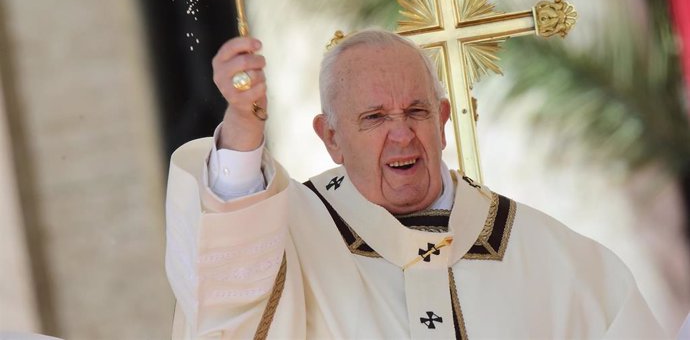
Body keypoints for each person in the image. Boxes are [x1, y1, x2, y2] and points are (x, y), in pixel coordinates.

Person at [165, 29, 666, 339]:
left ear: (444, 120)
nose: (402, 134)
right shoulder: (291, 238)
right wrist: (244, 129)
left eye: (417, 111)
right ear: (331, 139)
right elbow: (226, 298)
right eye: (375, 117)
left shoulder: (563, 265)